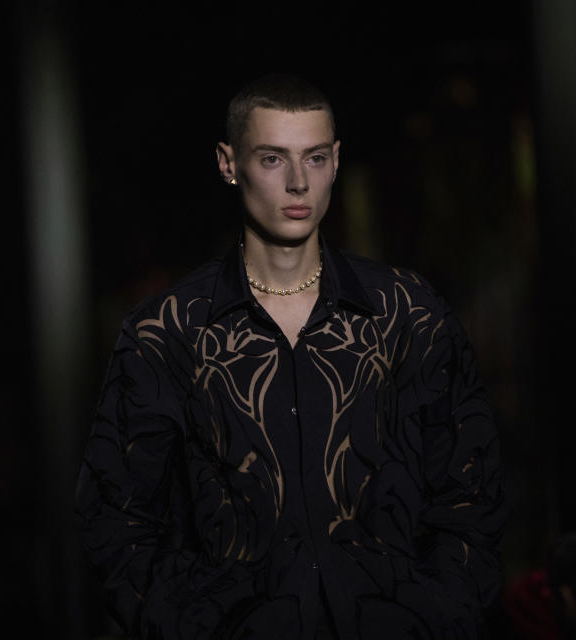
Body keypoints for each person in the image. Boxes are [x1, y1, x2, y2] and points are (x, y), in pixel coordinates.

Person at [76, 74, 507, 640]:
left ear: (336, 162)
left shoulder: (406, 312)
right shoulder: (169, 331)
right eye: (273, 159)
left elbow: (472, 488)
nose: (299, 182)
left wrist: (433, 614)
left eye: (316, 158)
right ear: (229, 163)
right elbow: (116, 516)